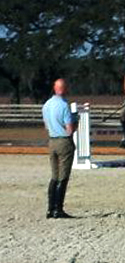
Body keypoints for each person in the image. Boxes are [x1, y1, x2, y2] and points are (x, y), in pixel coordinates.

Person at [41, 78, 78, 219]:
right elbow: (69, 130)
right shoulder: (64, 106)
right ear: (64, 89)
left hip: (52, 141)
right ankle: (58, 209)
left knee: (54, 176)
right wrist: (76, 122)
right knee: (63, 177)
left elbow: (46, 126)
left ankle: (50, 209)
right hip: (64, 142)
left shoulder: (46, 105)